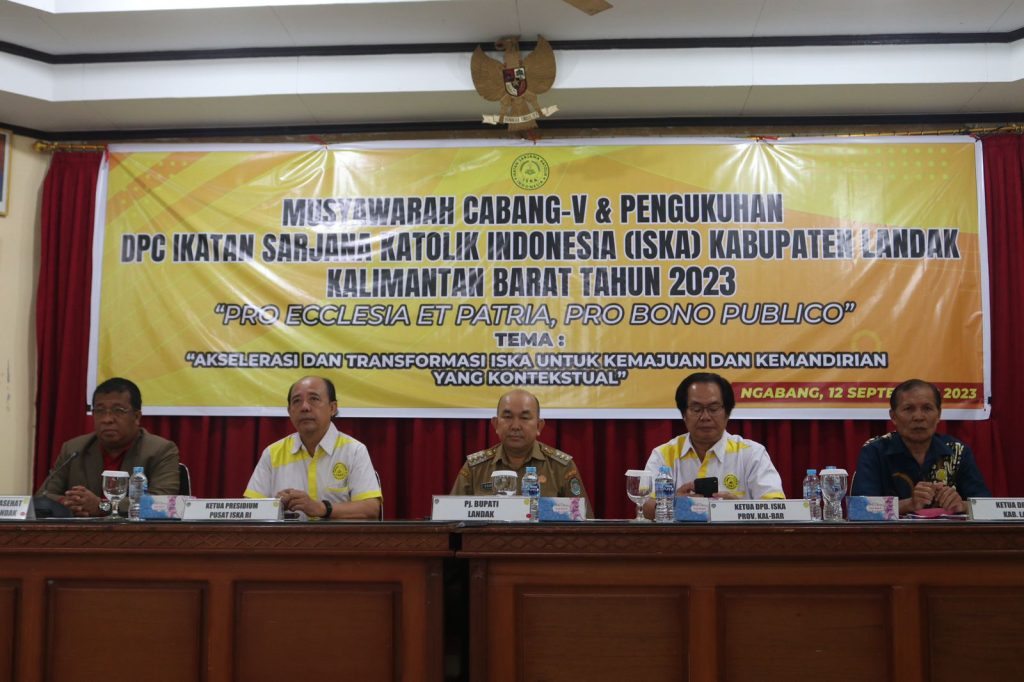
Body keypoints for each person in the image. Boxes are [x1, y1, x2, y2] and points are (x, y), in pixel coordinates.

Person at [642, 372, 785, 519]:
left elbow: (776, 506)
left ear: (727, 413)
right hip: (680, 534)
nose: (705, 417)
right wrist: (674, 505)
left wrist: (739, 509)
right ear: (684, 414)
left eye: (714, 409)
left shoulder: (751, 453)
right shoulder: (663, 454)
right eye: (696, 409)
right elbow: (644, 507)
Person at [36, 377, 180, 517]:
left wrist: (102, 506)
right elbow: (43, 496)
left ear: (136, 417)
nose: (107, 419)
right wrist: (68, 503)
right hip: (82, 531)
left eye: (118, 411)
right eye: (100, 411)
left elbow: (163, 502)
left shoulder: (160, 450)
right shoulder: (74, 449)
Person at [244, 376, 382, 520]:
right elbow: (249, 510)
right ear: (290, 411)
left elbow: (370, 509)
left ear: (332, 408)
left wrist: (322, 508)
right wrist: (275, 506)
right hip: (287, 535)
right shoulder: (272, 453)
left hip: (338, 535)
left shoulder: (354, 451)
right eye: (297, 401)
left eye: (314, 399)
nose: (304, 407)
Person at [852, 379, 990, 514]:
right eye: (908, 409)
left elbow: (988, 507)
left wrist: (962, 505)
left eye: (927, 408)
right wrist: (909, 504)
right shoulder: (875, 451)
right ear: (893, 416)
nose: (918, 417)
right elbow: (859, 509)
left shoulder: (957, 451)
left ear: (938, 415)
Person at [450, 389, 592, 516]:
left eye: (524, 418)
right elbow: (450, 517)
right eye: (508, 417)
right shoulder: (475, 468)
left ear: (539, 426)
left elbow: (583, 521)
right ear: (496, 424)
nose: (515, 426)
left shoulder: (561, 467)